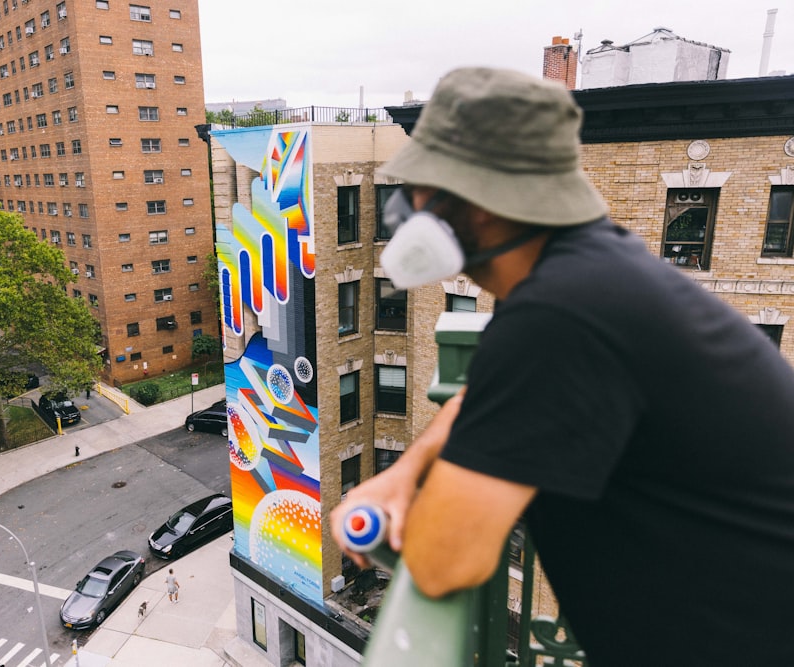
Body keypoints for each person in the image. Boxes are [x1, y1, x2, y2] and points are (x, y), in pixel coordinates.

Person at [330, 67, 794, 667]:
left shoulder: (561, 317)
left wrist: (376, 511)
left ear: (474, 201)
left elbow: (446, 562)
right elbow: (488, 405)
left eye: (420, 189)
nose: (406, 210)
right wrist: (403, 472)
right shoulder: (589, 275)